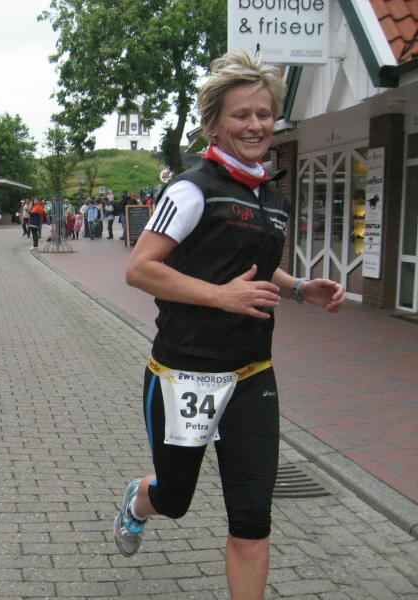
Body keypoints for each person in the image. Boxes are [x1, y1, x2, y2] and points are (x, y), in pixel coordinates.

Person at [114, 50, 346, 600]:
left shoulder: (272, 197)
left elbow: (248, 267)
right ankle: (139, 500)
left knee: (252, 517)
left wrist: (297, 287)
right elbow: (139, 268)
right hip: (184, 375)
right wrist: (221, 297)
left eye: (264, 114)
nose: (255, 125)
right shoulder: (191, 190)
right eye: (242, 115)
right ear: (215, 124)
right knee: (175, 499)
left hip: (251, 374)